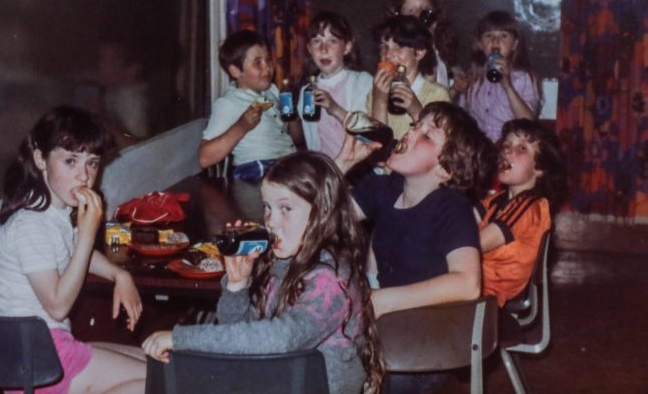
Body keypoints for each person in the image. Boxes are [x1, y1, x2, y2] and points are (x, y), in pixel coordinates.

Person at [142, 151, 383, 394]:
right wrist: (237, 284)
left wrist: (181, 339)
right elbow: (244, 341)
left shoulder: (331, 277)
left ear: (323, 213)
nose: (271, 221)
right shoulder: (283, 263)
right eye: (267, 207)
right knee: (136, 370)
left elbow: (281, 338)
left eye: (285, 208)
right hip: (276, 379)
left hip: (302, 385)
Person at [336, 101, 496, 394]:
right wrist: (342, 164)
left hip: (431, 338)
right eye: (414, 125)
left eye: (427, 134)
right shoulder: (384, 188)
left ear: (445, 169)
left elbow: (467, 284)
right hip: (387, 328)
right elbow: (321, 219)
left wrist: (383, 301)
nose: (410, 132)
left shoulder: (452, 209)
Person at [0, 106, 146, 394]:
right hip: (37, 363)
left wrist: (118, 275)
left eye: (92, 163)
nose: (84, 176)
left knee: (154, 359)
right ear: (40, 158)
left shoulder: (52, 212)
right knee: (162, 379)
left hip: (40, 350)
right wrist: (88, 232)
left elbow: (77, 253)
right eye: (71, 161)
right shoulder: (30, 225)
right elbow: (58, 305)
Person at [479, 119, 567, 307]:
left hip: (485, 297)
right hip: (473, 284)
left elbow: (473, 245)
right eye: (506, 145)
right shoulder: (496, 200)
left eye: (522, 148)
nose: (507, 151)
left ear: (540, 168)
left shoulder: (529, 207)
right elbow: (460, 218)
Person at [199, 30, 299, 182]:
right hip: (256, 171)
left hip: (287, 165)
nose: (267, 68)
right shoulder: (228, 103)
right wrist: (241, 126)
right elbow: (204, 158)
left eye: (268, 60)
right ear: (235, 71)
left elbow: (296, 139)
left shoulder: (272, 91)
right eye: (257, 62)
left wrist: (291, 113)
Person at [456, 11, 540, 141]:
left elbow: (528, 124)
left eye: (503, 36)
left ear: (515, 44)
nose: (495, 41)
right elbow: (461, 119)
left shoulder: (524, 78)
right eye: (488, 36)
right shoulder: (473, 77)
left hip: (508, 147)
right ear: (480, 44)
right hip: (479, 147)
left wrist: (507, 86)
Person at [299, 11, 374, 158]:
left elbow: (370, 134)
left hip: (359, 168)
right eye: (316, 41)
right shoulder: (306, 92)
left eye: (332, 41)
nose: (323, 49)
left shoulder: (363, 82)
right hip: (326, 172)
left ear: (347, 47)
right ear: (309, 49)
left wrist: (334, 108)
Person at [371, 16, 450, 141]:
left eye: (398, 47)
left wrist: (416, 110)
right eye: (384, 47)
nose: (388, 55)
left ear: (419, 52)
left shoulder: (437, 94)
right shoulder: (374, 94)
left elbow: (439, 145)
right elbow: (376, 146)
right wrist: (379, 102)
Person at [385, 0, 459, 88]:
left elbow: (437, 98)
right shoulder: (408, 57)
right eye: (411, 11)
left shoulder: (437, 51)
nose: (420, 14)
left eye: (425, 8)